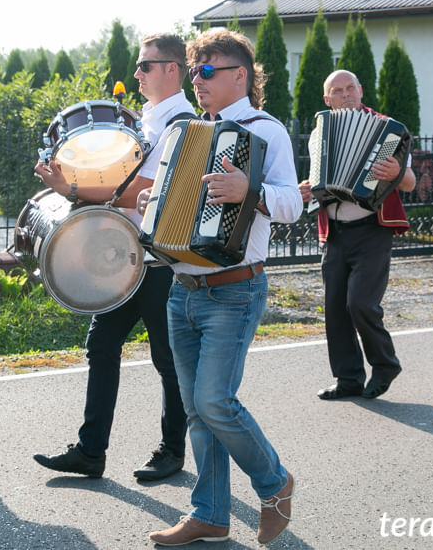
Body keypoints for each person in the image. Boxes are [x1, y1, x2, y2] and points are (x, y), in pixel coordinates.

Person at [143, 29, 302, 546]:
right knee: (195, 409)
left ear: (241, 76)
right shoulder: (188, 132)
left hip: (234, 290)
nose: (197, 80)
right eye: (193, 71)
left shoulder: (265, 130)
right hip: (182, 287)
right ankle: (210, 514)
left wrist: (249, 191)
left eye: (207, 71)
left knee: (215, 402)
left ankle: (275, 483)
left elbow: (293, 205)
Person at [32, 33, 191, 480]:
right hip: (127, 255)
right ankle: (90, 450)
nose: (137, 73)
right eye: (139, 66)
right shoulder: (149, 121)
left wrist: (74, 189)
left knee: (167, 360)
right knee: (102, 345)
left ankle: (172, 450)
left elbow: (145, 190)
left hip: (160, 261)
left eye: (146, 66)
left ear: (171, 70)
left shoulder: (180, 123)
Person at [297, 70, 416, 401]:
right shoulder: (320, 134)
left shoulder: (387, 130)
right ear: (327, 99)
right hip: (334, 231)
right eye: (338, 90)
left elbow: (410, 182)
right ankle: (348, 378)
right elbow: (318, 183)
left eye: (351, 88)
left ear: (361, 91)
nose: (346, 94)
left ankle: (385, 364)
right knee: (335, 309)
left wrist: (397, 173)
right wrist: (305, 190)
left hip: (372, 229)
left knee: (360, 304)